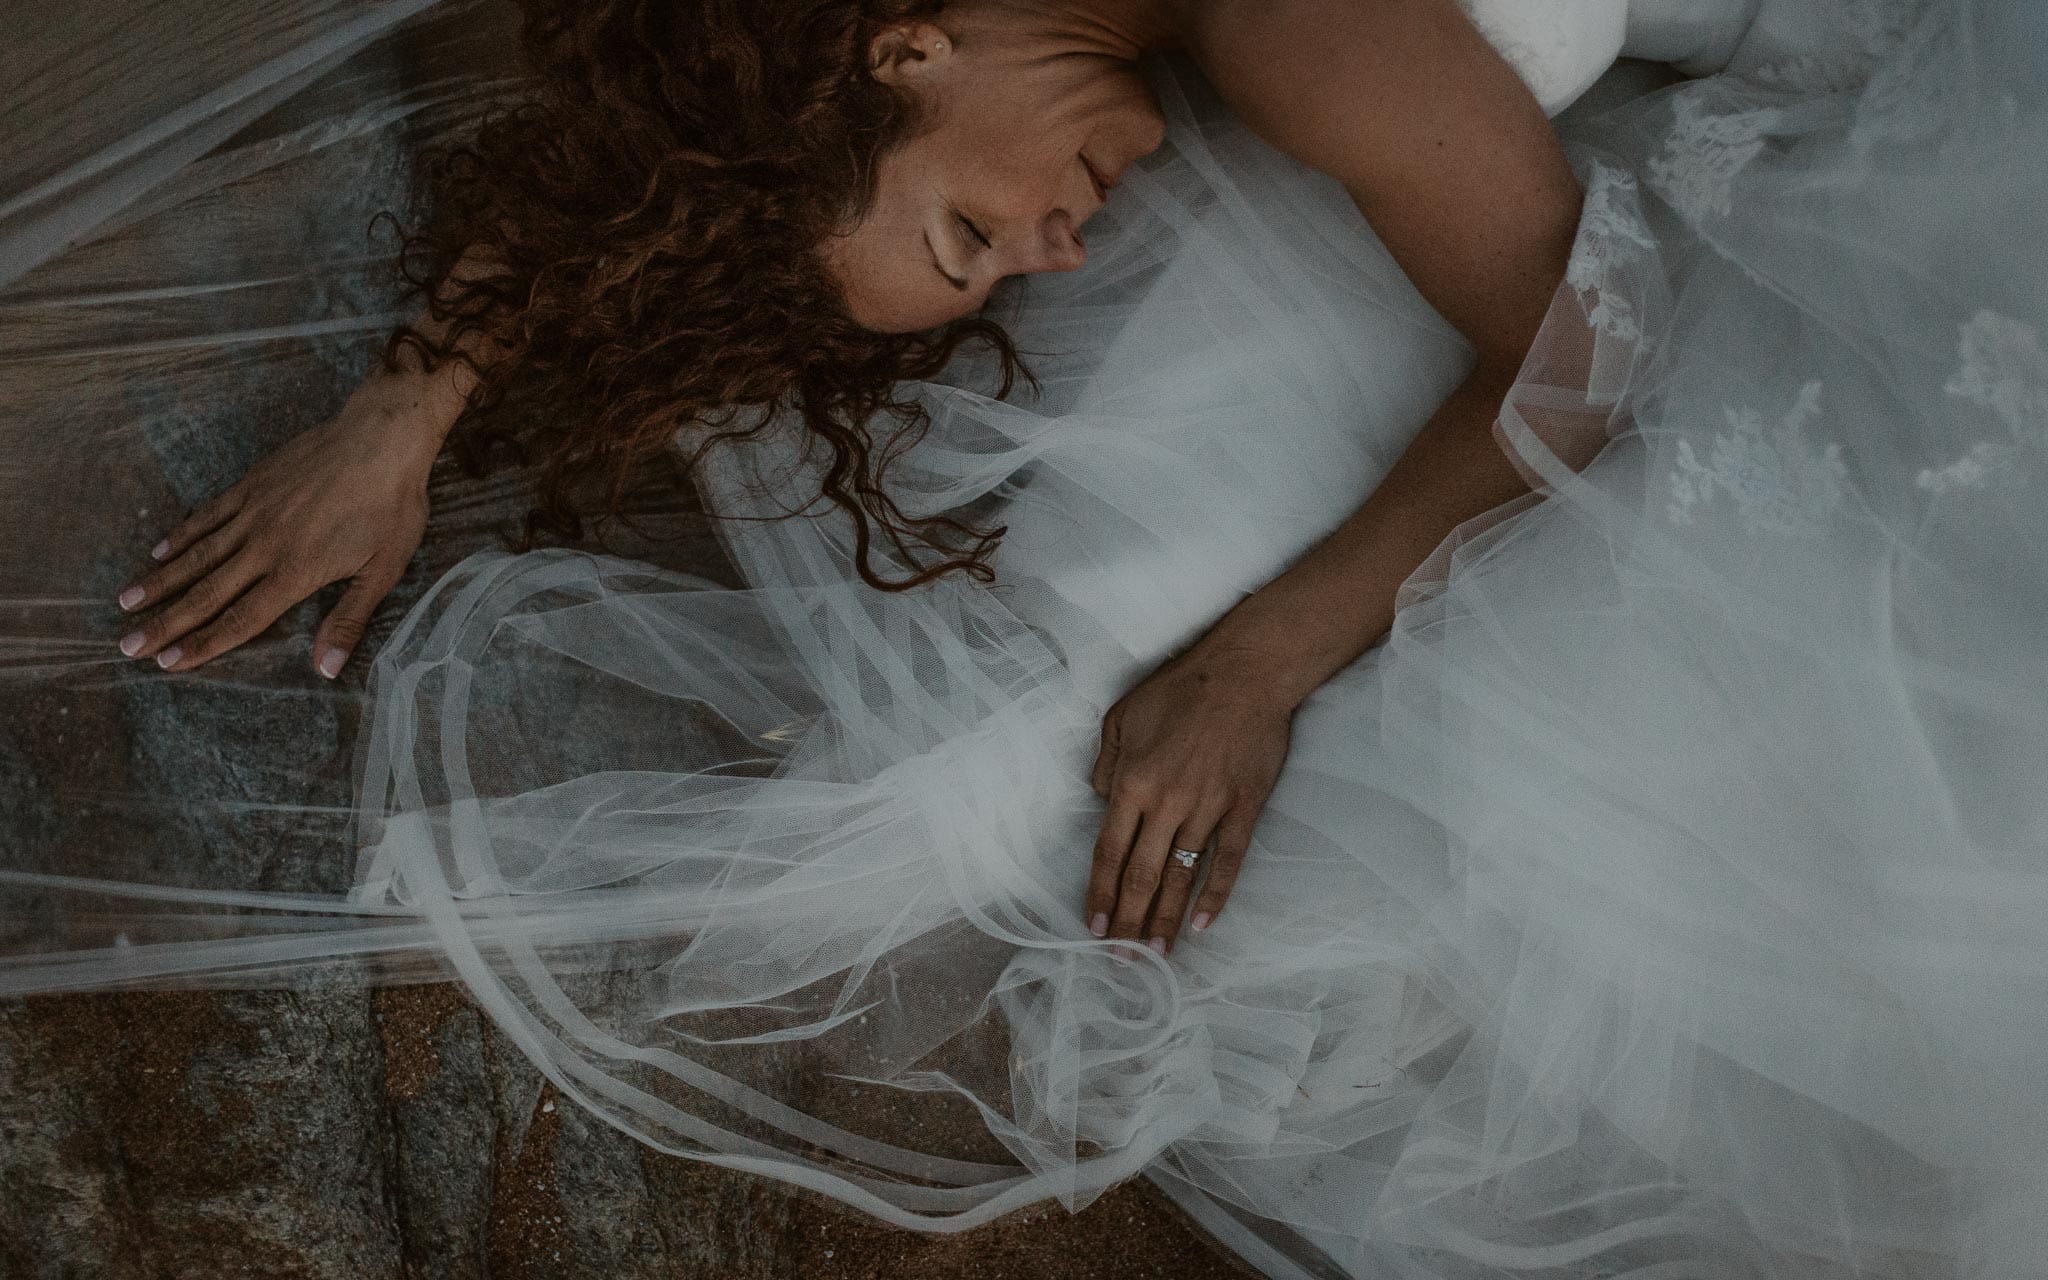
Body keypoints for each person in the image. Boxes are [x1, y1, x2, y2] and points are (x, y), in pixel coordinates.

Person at [4, 0, 2046, 1276]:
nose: (1052, 251)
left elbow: (1585, 350)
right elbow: (678, 132)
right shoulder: (1034, 51)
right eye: (993, 262)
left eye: (967, 235)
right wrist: (411, 398)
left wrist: (1260, 662)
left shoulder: (1291, 29)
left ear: (897, 41)